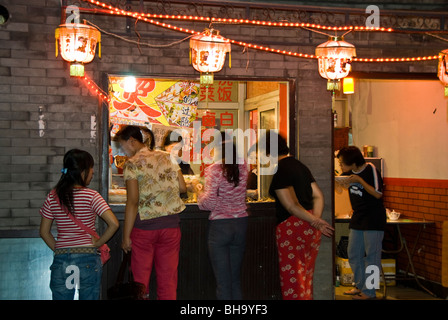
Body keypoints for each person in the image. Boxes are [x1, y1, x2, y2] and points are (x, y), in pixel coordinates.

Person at [114, 125, 186, 300]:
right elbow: (182, 187)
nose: (123, 151)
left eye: (123, 146)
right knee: (168, 280)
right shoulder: (168, 157)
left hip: (144, 229)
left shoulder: (132, 164)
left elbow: (132, 201)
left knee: (141, 283)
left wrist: (125, 237)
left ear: (132, 141)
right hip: (170, 227)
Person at [40, 149, 119, 300]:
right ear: (82, 172)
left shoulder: (53, 196)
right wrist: (98, 243)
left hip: (62, 260)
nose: (93, 172)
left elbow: (44, 232)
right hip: (88, 257)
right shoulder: (92, 196)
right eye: (91, 168)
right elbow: (114, 223)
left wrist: (61, 249)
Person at [266, 131, 334, 300]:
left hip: (292, 228)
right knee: (306, 275)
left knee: (292, 277)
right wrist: (315, 220)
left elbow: (291, 205)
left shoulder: (281, 170)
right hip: (310, 225)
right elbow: (318, 195)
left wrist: (315, 221)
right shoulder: (300, 166)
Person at [193, 132, 248, 300]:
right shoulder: (244, 165)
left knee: (223, 282)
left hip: (221, 226)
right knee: (235, 280)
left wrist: (198, 192)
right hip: (241, 224)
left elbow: (208, 204)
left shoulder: (215, 169)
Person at [337, 146, 386, 300]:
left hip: (374, 218)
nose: (340, 166)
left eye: (342, 163)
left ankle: (370, 292)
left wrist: (359, 181)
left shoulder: (370, 169)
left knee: (372, 256)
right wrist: (340, 182)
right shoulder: (347, 174)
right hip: (358, 218)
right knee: (353, 254)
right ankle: (360, 286)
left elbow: (378, 194)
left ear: (353, 162)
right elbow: (340, 189)